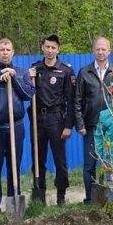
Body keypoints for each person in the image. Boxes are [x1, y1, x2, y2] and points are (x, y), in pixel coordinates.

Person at [0, 38, 35, 212]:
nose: (5, 52)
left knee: (14, 166)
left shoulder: (22, 72)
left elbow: (28, 95)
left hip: (15, 127)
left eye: (8, 49)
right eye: (2, 49)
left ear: (13, 52)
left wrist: (14, 78)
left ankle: (13, 202)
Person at [74, 37, 113, 204]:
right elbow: (77, 100)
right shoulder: (85, 72)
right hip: (90, 125)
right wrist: (80, 124)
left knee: (110, 163)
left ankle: (109, 198)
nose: (101, 52)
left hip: (111, 126)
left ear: (109, 51)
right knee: (90, 165)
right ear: (93, 51)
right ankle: (90, 198)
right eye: (98, 49)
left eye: (104, 49)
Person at [28, 34, 76, 207]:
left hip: (57, 119)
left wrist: (69, 125)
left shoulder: (65, 70)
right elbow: (27, 93)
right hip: (38, 120)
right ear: (42, 47)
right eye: (47, 47)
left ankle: (61, 196)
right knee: (38, 159)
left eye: (53, 47)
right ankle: (39, 196)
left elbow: (71, 100)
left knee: (59, 160)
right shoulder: (35, 69)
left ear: (58, 49)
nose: (50, 50)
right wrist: (28, 78)